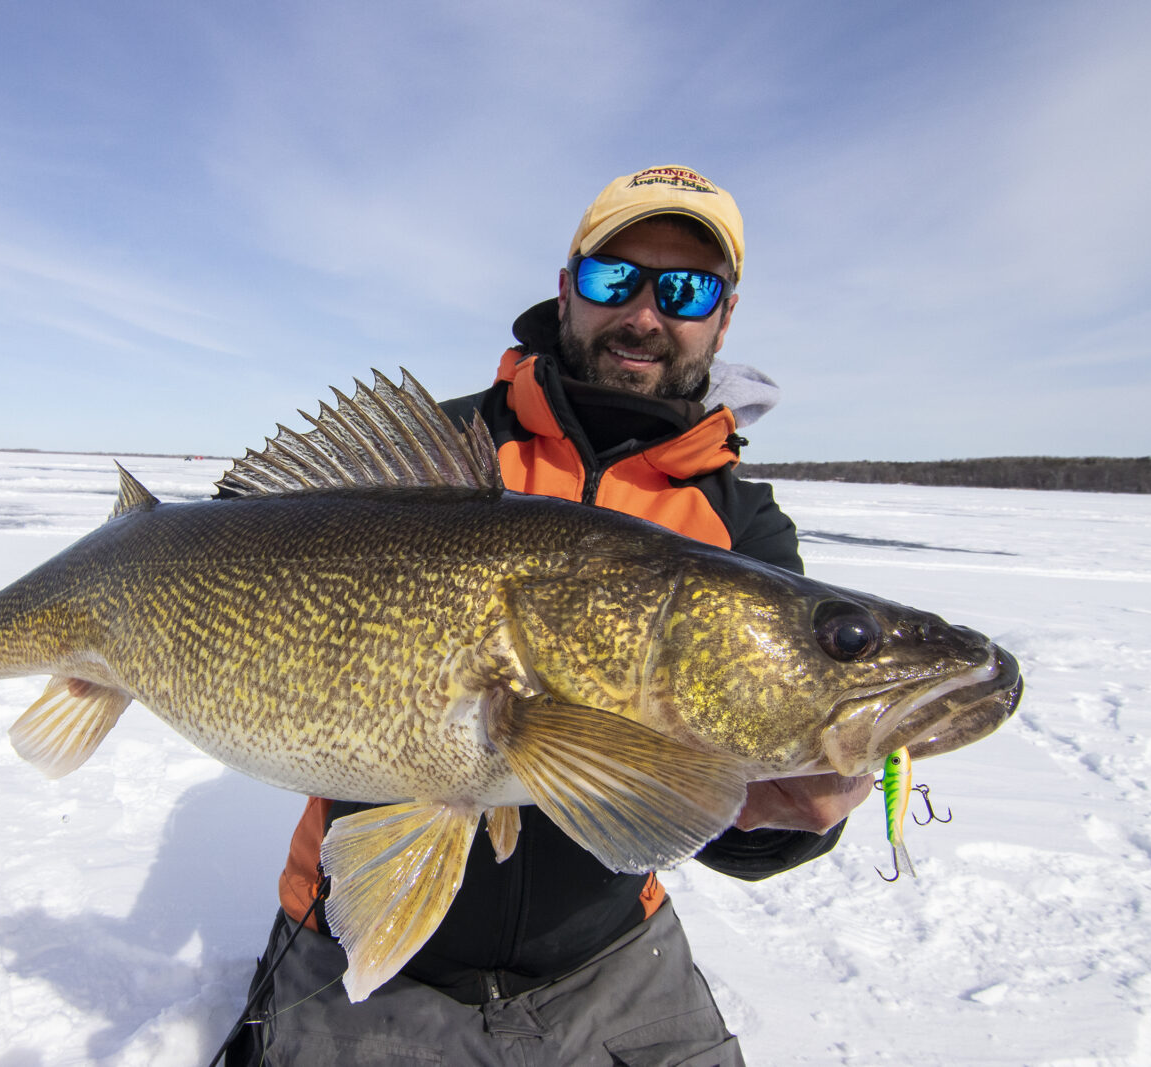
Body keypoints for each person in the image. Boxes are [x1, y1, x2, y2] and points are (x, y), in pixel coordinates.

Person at [221, 165, 872, 1066]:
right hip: (353, 949)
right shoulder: (442, 455)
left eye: (685, 288)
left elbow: (725, 807)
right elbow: (234, 550)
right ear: (567, 288)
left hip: (607, 957)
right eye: (615, 277)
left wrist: (782, 813)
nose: (644, 313)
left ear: (722, 318)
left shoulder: (743, 529)